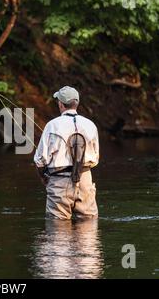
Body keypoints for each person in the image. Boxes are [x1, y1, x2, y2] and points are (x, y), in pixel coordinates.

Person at [34, 86, 100, 220]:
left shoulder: (52, 125)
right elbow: (96, 157)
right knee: (88, 229)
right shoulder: (90, 125)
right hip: (85, 179)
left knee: (58, 230)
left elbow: (40, 160)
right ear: (77, 103)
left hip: (59, 181)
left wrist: (43, 177)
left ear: (60, 104)